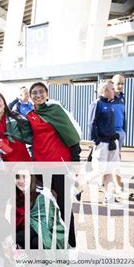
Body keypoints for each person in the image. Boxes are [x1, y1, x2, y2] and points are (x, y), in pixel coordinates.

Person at [26, 82, 81, 247]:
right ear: (30, 97)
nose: (38, 95)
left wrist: (75, 163)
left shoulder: (56, 111)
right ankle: (52, 242)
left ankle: (70, 243)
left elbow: (72, 136)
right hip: (40, 168)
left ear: (47, 94)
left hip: (60, 166)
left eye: (41, 92)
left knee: (63, 205)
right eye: (34, 93)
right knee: (46, 206)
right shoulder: (30, 116)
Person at [14, 173, 66, 267]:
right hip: (27, 230)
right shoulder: (15, 193)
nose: (21, 181)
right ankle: (31, 259)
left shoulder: (43, 195)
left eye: (24, 177)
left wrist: (16, 237)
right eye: (17, 177)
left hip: (50, 233)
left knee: (38, 241)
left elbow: (45, 225)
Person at [89, 80, 121, 206]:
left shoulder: (111, 104)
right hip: (102, 143)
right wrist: (96, 141)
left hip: (112, 142)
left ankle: (109, 198)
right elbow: (92, 123)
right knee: (98, 171)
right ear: (105, 91)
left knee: (109, 171)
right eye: (112, 89)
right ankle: (76, 188)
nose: (114, 91)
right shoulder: (97, 104)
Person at [0, 91, 32, 162]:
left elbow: (33, 134)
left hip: (23, 162)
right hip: (1, 166)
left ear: (4, 103)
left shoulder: (17, 117)